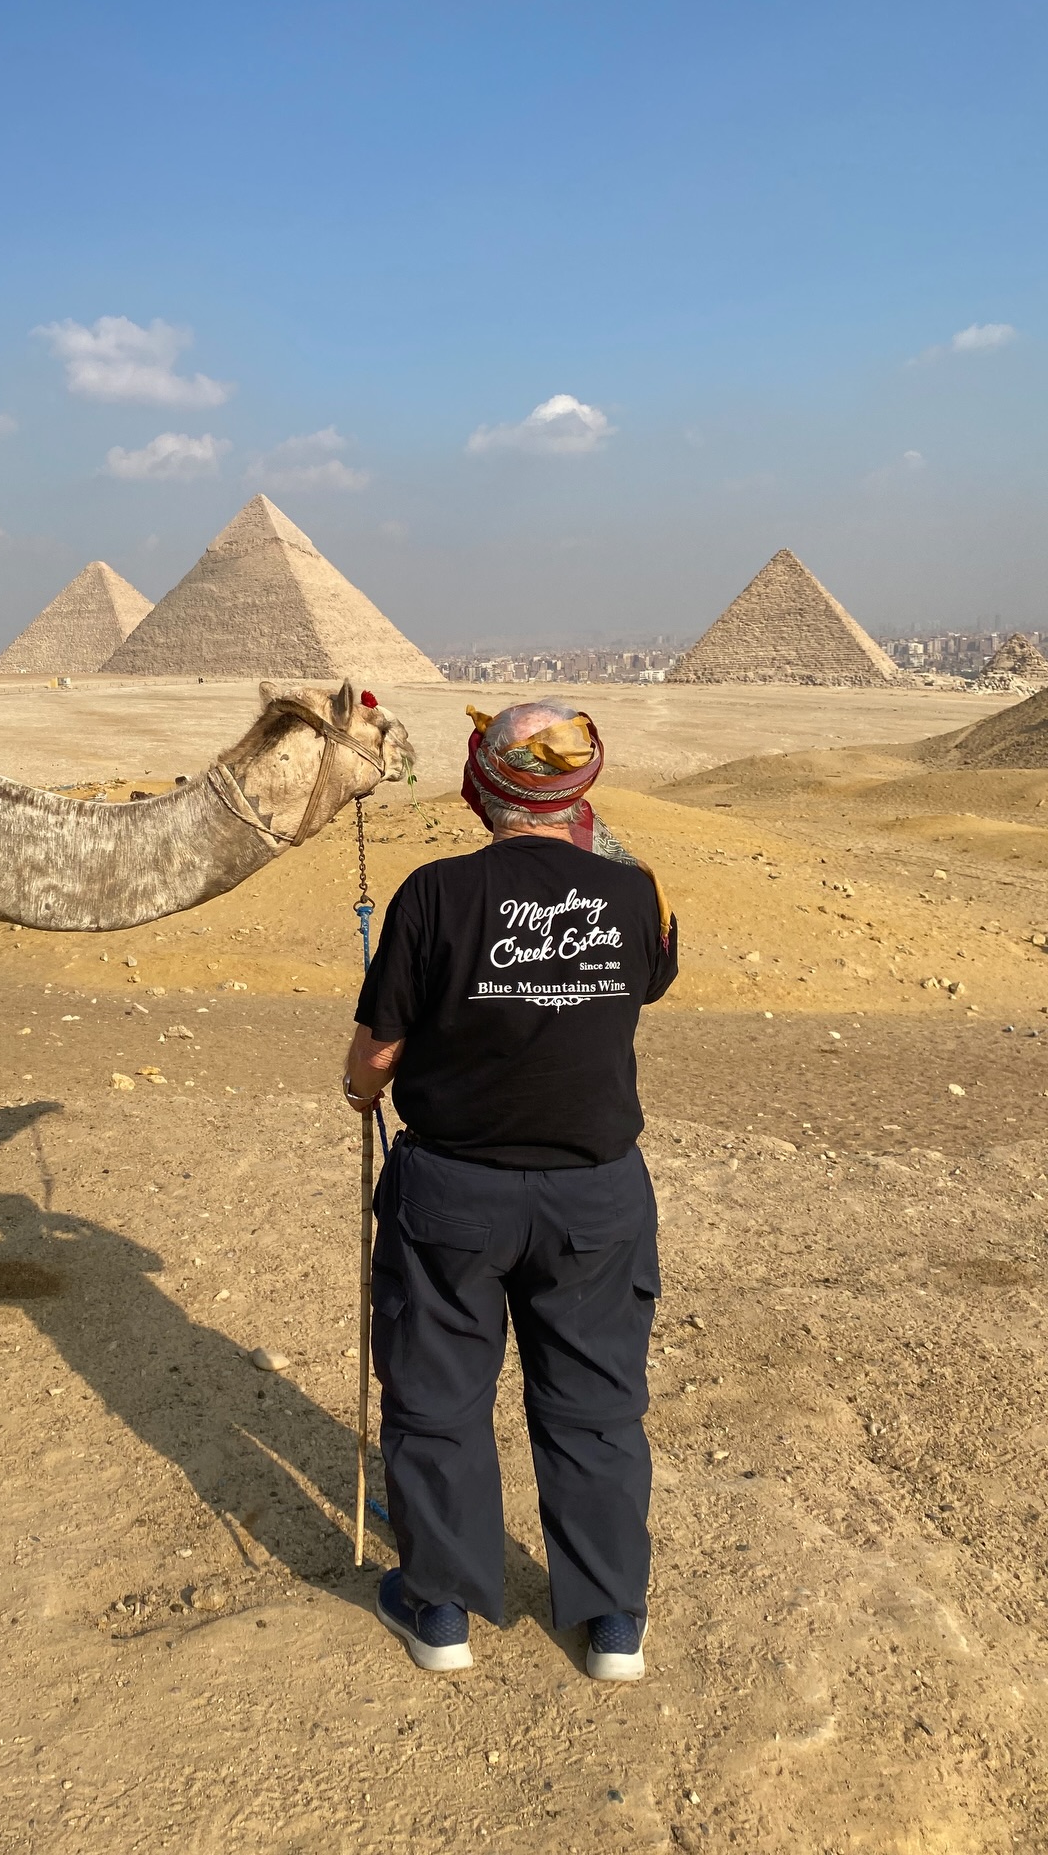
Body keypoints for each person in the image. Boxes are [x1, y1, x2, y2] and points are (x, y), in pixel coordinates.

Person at [343, 700, 677, 1681]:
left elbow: (380, 1054)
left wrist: (358, 1089)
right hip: (596, 1200)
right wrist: (581, 817)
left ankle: (439, 1611)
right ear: (582, 791)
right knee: (597, 1407)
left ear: (479, 784)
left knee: (438, 1398)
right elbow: (648, 975)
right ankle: (612, 1619)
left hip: (455, 1198)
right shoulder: (632, 895)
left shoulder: (434, 894)